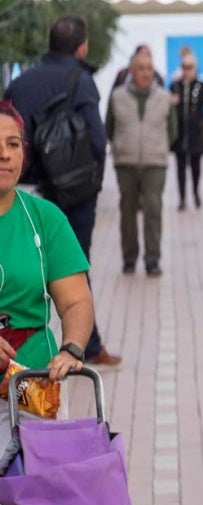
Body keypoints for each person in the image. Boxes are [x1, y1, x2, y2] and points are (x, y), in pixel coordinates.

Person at [4, 15, 121, 367]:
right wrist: (90, 185)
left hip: (27, 186)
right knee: (71, 271)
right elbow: (97, 140)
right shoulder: (80, 80)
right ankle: (92, 342)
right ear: (82, 47)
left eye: (12, 143)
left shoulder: (21, 84)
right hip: (72, 193)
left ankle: (84, 340)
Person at [0, 101, 93, 449]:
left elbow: (76, 301)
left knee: (36, 498)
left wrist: (72, 348)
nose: (5, 155)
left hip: (34, 388)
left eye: (12, 144)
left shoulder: (45, 218)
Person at [106, 51, 177, 277]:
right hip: (125, 162)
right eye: (141, 68)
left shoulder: (164, 97)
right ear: (131, 72)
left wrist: (160, 147)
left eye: (149, 68)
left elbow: (172, 130)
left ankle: (152, 259)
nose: (146, 72)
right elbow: (109, 127)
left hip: (155, 162)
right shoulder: (117, 96)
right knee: (127, 211)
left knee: (153, 209)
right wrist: (119, 147)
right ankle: (129, 258)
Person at [169, 52, 203, 211]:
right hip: (180, 135)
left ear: (195, 68)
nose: (186, 70)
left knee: (196, 167)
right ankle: (182, 198)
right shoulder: (175, 86)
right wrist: (172, 104)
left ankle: (195, 192)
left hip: (196, 135)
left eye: (189, 67)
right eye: (184, 67)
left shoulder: (202, 86)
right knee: (180, 167)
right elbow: (167, 108)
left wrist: (201, 120)